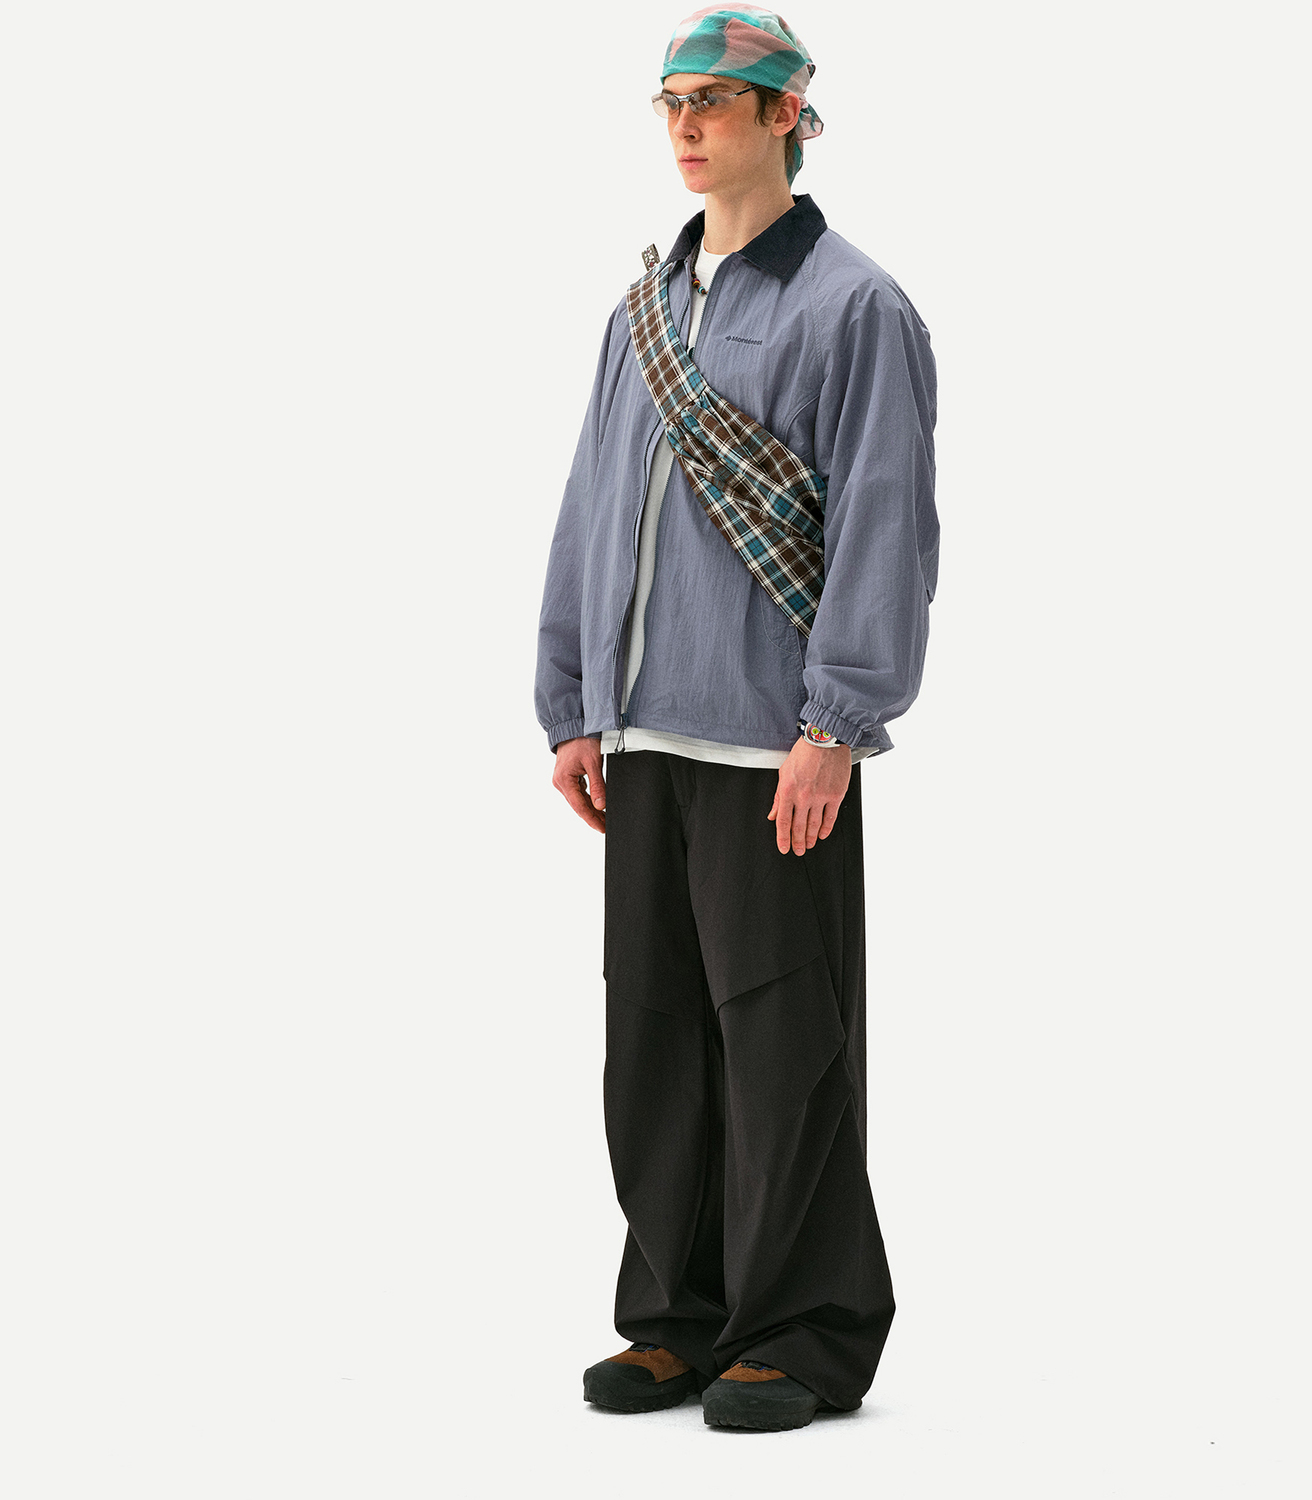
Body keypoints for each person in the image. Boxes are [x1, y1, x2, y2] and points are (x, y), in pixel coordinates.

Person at [533, 5, 938, 1432]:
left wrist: (837, 724)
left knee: (783, 1040)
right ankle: (679, 1315)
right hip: (645, 737)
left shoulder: (855, 309)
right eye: (672, 101)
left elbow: (886, 525)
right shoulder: (639, 314)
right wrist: (572, 703)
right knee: (652, 1037)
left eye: (716, 98)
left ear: (787, 114)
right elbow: (591, 507)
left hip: (775, 745)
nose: (689, 123)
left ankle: (804, 1328)